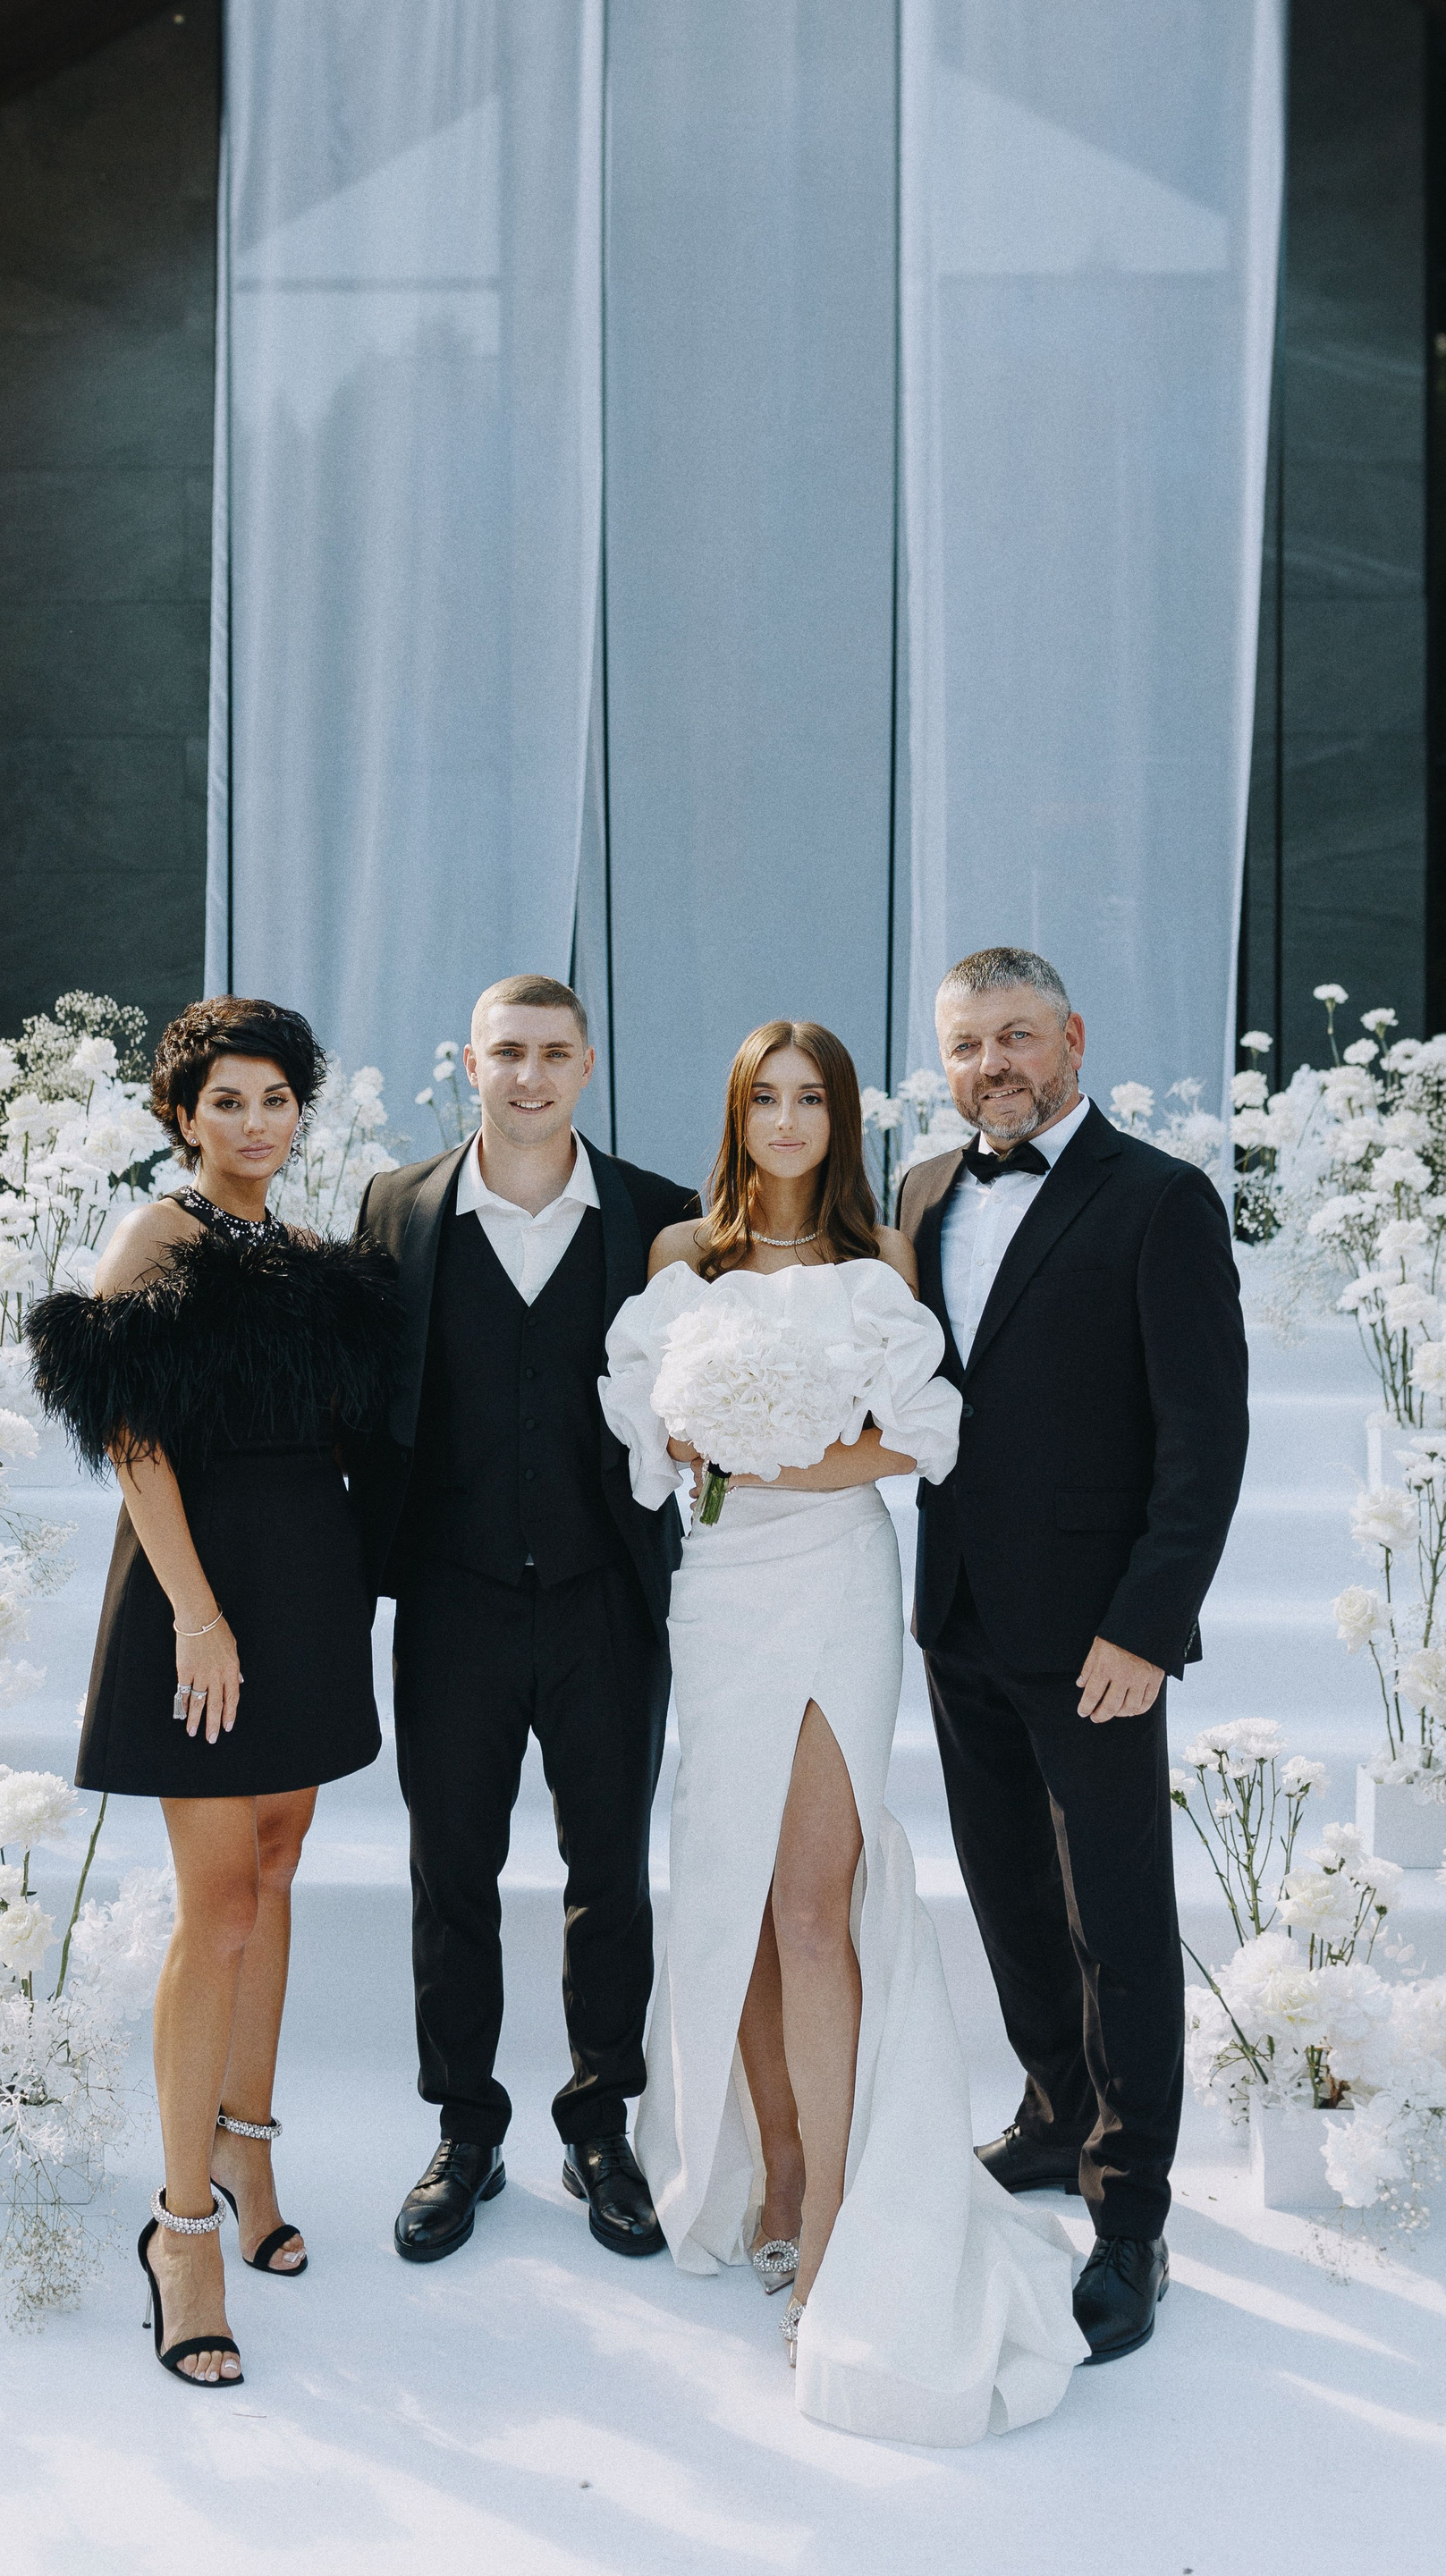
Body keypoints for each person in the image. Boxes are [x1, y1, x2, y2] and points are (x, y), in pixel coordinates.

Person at [601, 1019, 1083, 2444]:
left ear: (842, 1117)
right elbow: (644, 1437)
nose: (789, 1120)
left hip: (834, 1579)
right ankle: (782, 2161)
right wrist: (695, 1441)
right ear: (738, 1115)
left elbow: (928, 1433)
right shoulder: (679, 1257)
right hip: (719, 1588)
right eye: (767, 1098)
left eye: (812, 1098)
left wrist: (787, 1456)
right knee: (740, 1898)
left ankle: (829, 2233)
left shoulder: (880, 1259)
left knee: (816, 1904)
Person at [27, 997, 398, 2388]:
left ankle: (248, 2145)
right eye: (226, 1099)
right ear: (183, 1114)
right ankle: (181, 2229)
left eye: (275, 1098)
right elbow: (131, 1436)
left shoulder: (301, 1252)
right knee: (221, 1903)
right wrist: (196, 1615)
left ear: (302, 1111)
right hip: (205, 1595)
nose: (253, 1121)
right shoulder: (158, 1233)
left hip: (308, 1585)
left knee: (281, 1862)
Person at [897, 947, 1248, 2366]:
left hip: (1100, 1631)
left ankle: (1132, 2205)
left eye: (1017, 1035)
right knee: (1005, 1890)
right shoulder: (922, 1192)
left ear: (1073, 1038)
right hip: (960, 1613)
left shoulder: (1160, 1199)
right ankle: (1053, 2113)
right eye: (967, 1043)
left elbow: (1204, 1436)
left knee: (1118, 1913)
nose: (993, 1064)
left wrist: (1147, 1626)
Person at [352, 975, 698, 2263]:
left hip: (611, 1594)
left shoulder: (661, 1214)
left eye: (555, 1053)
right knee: (452, 1870)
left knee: (609, 1870)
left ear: (588, 1066)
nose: (531, 1076)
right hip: (453, 1598)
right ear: (471, 1064)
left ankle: (600, 2124)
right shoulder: (397, 1208)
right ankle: (466, 2127)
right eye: (508, 1052)